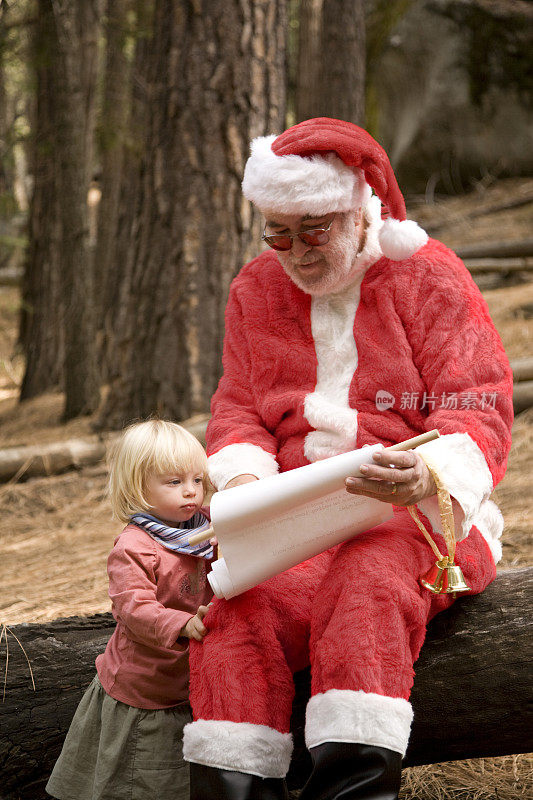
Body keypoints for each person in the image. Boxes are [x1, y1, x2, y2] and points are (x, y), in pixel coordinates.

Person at [182, 118, 514, 800]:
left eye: (313, 230)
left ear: (361, 212)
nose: (294, 252)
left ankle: (355, 789)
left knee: (366, 581)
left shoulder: (427, 276)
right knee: (235, 605)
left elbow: (476, 400)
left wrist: (428, 473)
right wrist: (247, 486)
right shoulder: (253, 290)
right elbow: (238, 406)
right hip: (292, 517)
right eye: (277, 232)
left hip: (418, 517)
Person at [46, 420, 214, 800]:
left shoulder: (204, 531)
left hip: (189, 682)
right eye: (173, 482)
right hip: (146, 691)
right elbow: (133, 608)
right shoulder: (135, 546)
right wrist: (183, 623)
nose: (190, 491)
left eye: (197, 480)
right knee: (144, 781)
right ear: (138, 487)